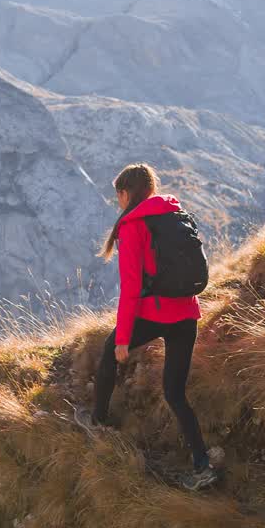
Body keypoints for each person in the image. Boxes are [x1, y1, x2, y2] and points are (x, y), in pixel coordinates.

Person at [74, 163, 219, 492]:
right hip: (186, 314)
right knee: (175, 393)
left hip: (155, 314)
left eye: (118, 196)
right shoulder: (172, 212)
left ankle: (98, 420)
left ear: (126, 193)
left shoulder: (133, 226)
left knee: (110, 353)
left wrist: (124, 338)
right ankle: (202, 464)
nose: (118, 203)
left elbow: (131, 290)